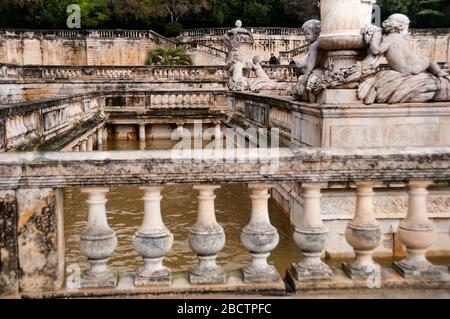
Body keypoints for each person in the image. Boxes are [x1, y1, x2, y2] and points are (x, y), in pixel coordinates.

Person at [367, 14, 448, 77]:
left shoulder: (388, 39)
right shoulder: (402, 39)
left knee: (422, 59)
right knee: (429, 60)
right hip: (416, 67)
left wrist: (374, 37)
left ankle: (439, 72)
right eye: (407, 27)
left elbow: (376, 51)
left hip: (404, 69)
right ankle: (439, 72)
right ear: (402, 27)